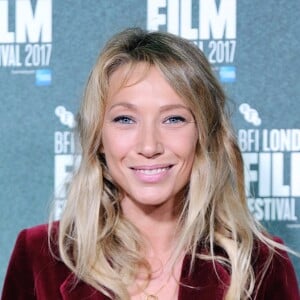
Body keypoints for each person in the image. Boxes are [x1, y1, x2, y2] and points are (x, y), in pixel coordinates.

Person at [1, 28, 299, 300]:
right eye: (125, 119)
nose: (149, 146)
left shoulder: (262, 263)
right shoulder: (39, 255)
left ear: (203, 135)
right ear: (99, 137)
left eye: (173, 119)